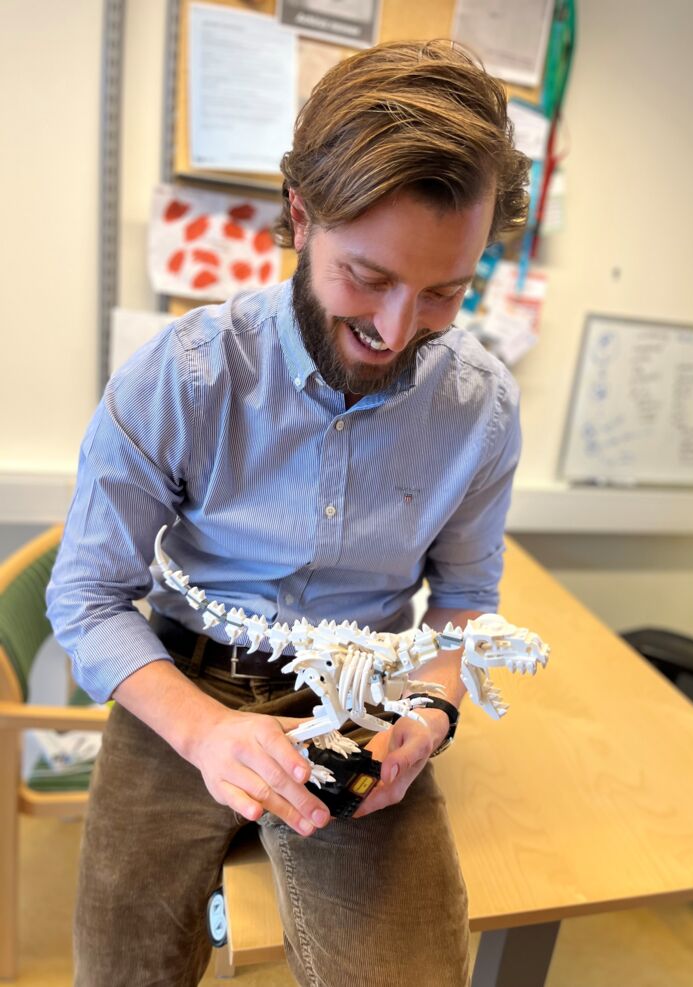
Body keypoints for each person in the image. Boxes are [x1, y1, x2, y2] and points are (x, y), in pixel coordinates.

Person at [47, 39, 529, 987]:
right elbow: (88, 596)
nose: (397, 334)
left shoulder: (479, 406)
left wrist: (428, 716)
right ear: (301, 218)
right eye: (368, 277)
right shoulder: (183, 377)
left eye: (444, 291)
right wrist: (202, 731)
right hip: (181, 680)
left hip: (357, 701)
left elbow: (467, 598)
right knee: (121, 972)